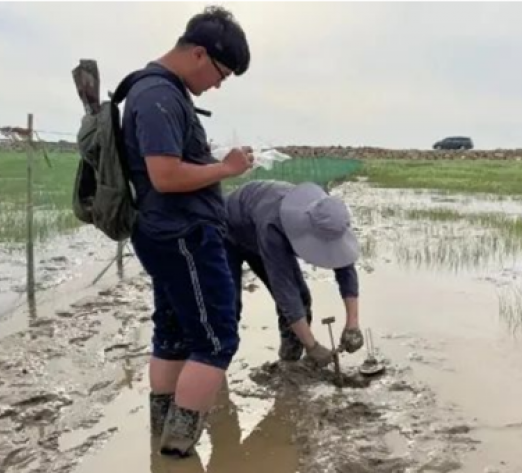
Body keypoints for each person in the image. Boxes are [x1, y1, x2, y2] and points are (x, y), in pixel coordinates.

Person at [121, 6, 253, 457]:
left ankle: (163, 433)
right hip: (184, 235)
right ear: (199, 53)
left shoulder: (154, 90)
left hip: (163, 232)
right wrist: (226, 169)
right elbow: (165, 176)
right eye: (221, 74)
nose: (218, 84)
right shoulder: (160, 97)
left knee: (173, 332)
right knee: (217, 339)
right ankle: (178, 445)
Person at [224, 180, 365, 366]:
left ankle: (289, 363)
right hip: (226, 232)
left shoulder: (331, 218)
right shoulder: (273, 226)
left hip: (256, 226)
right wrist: (312, 346)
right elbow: (285, 291)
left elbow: (345, 266)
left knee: (302, 299)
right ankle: (213, 370)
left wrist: (352, 324)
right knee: (227, 310)